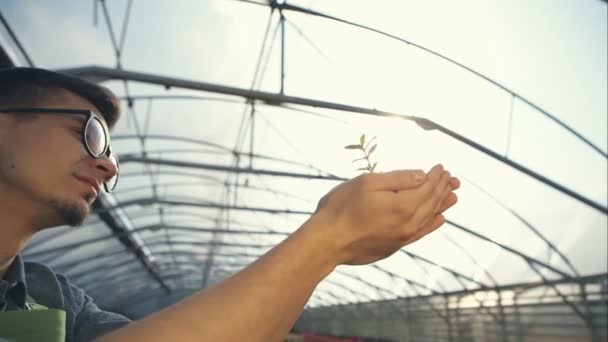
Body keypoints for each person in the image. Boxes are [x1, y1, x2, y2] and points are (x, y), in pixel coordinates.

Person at [0, 67, 460, 342]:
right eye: (91, 134)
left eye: (111, 156)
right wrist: (329, 235)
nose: (106, 167)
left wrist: (330, 244)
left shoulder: (53, 299)